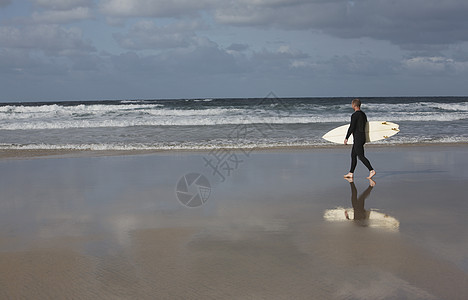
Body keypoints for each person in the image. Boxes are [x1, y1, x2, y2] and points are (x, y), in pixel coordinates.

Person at [344, 99, 376, 179]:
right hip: (362, 137)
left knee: (361, 156)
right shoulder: (363, 114)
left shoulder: (355, 115)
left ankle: (371, 170)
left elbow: (352, 127)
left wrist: (346, 137)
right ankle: (351, 173)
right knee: (353, 155)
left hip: (358, 138)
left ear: (354, 105)